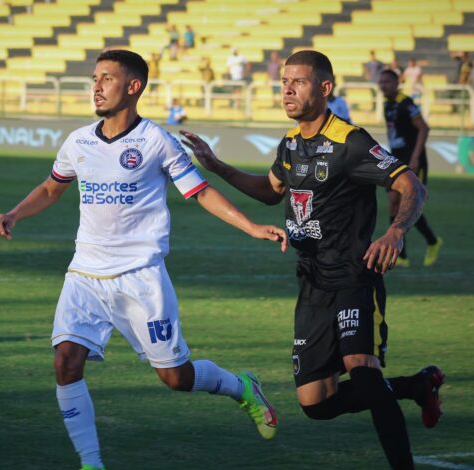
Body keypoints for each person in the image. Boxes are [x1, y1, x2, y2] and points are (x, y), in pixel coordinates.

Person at [0, 49, 282, 470]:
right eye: (94, 77)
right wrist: (14, 213)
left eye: (107, 78)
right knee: (65, 361)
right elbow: (52, 188)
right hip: (85, 274)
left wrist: (252, 227)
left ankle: (242, 388)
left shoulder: (155, 141)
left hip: (140, 277)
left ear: (133, 86)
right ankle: (92, 464)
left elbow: (200, 192)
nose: (96, 85)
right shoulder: (79, 141)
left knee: (175, 378)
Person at [181, 50, 445, 469]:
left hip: (355, 277)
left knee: (365, 375)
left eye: (298, 82)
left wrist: (395, 231)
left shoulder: (350, 141)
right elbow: (271, 191)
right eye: (284, 81)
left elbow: (412, 185)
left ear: (325, 88)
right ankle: (417, 385)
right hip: (311, 283)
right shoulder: (290, 143)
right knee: (315, 404)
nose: (287, 88)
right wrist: (217, 166)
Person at [378, 69, 442, 268]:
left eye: (387, 82)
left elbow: (424, 128)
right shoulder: (387, 104)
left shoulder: (406, 103)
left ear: (397, 83)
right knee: (392, 204)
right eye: (381, 82)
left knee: (409, 203)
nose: (383, 85)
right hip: (396, 158)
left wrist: (415, 157)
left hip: (413, 159)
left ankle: (432, 242)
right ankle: (401, 255)